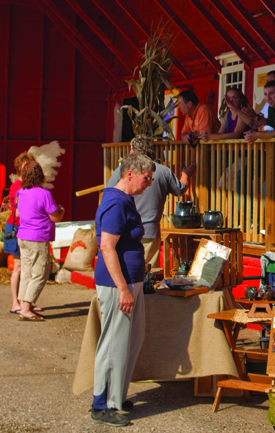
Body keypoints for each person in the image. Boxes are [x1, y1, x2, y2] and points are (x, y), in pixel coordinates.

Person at [91, 152, 156, 427]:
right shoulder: (116, 201)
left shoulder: (127, 200)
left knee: (130, 340)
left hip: (131, 280)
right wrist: (123, 289)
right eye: (146, 178)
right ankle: (101, 403)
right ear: (130, 173)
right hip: (118, 283)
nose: (149, 183)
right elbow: (107, 246)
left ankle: (117, 396)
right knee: (113, 344)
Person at [104, 135, 194, 270]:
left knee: (128, 271)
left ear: (132, 149)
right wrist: (185, 175)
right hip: (149, 231)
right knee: (149, 273)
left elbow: (109, 193)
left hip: (126, 230)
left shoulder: (123, 171)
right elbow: (180, 190)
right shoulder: (163, 171)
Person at [15, 161, 65, 321]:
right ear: (40, 175)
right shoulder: (44, 194)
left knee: (26, 272)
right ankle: (27, 307)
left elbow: (17, 213)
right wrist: (61, 210)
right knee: (40, 273)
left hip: (22, 236)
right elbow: (55, 217)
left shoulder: (20, 192)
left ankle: (23, 305)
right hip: (38, 237)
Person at [4, 151, 36, 315]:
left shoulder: (31, 186)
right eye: (26, 166)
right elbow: (18, 211)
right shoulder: (17, 186)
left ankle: (26, 301)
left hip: (26, 227)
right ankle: (15, 302)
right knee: (18, 266)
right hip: (16, 226)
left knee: (28, 267)